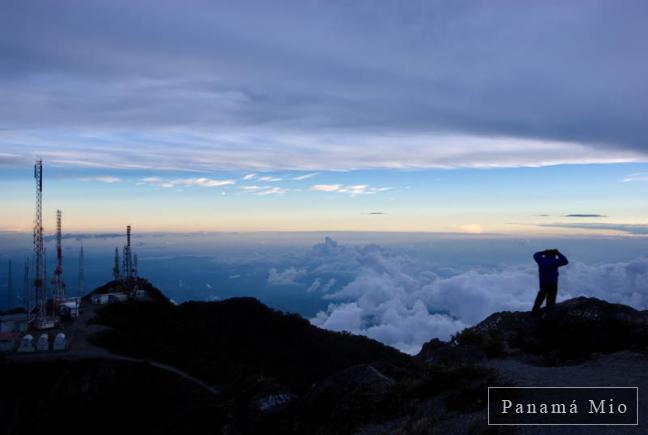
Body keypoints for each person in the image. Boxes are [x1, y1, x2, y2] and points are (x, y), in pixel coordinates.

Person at [532, 249, 569, 313]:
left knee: (541, 295)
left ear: (546, 254)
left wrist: (544, 252)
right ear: (554, 255)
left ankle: (535, 310)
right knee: (551, 298)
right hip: (552, 283)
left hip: (543, 282)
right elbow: (565, 261)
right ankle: (548, 313)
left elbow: (535, 255)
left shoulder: (541, 260)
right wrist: (558, 253)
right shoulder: (555, 261)